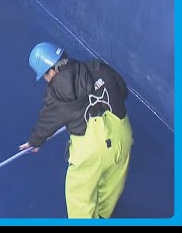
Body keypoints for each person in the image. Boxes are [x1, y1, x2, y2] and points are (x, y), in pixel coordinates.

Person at [18, 41, 133, 218]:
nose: (46, 81)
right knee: (112, 184)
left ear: (51, 71)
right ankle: (103, 215)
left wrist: (35, 141)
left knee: (80, 193)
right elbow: (122, 91)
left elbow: (46, 122)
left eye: (44, 76)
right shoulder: (98, 67)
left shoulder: (55, 95)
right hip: (121, 135)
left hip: (91, 150)